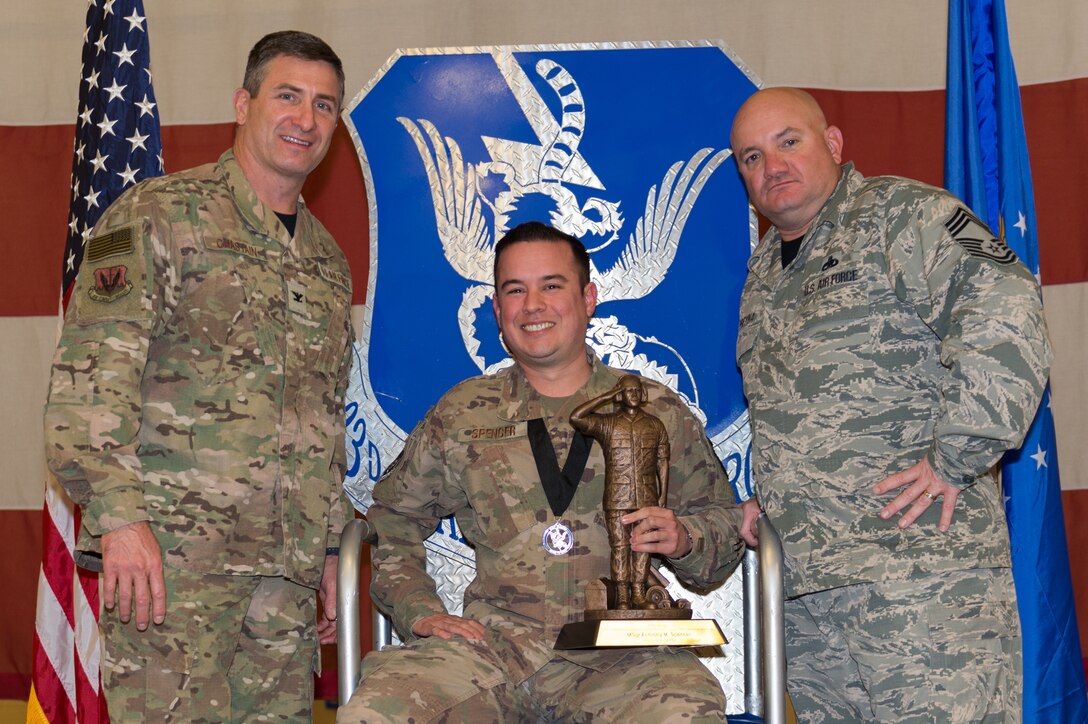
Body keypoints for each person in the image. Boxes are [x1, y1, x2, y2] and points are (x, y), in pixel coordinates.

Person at [44, 30, 353, 721]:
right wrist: (121, 521)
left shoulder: (327, 262)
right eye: (288, 96)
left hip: (283, 582)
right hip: (174, 569)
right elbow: (89, 386)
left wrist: (330, 550)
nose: (306, 119)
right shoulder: (158, 215)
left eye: (326, 105)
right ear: (243, 103)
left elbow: (323, 419)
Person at [731, 87, 1052, 722]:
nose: (772, 166)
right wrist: (775, 497)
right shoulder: (767, 267)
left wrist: (957, 455)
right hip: (811, 595)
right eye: (751, 156)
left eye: (788, 141)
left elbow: (1005, 301)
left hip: (920, 578)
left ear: (832, 143)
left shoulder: (904, 215)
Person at [339, 221, 745, 722]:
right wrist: (418, 609)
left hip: (624, 661)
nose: (533, 305)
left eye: (551, 285)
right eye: (515, 290)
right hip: (491, 651)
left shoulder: (655, 410)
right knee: (380, 713)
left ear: (588, 297)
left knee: (683, 714)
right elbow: (393, 518)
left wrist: (685, 537)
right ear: (497, 311)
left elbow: (722, 522)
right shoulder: (464, 412)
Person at [570, 374, 670, 610]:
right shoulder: (608, 424)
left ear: (642, 394)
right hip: (617, 498)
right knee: (620, 548)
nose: (633, 395)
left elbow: (662, 461)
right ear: (619, 394)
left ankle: (638, 594)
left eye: (637, 391)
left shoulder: (655, 425)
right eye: (627, 391)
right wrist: (606, 397)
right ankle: (622, 596)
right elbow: (577, 417)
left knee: (643, 547)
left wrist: (662, 496)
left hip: (647, 497)